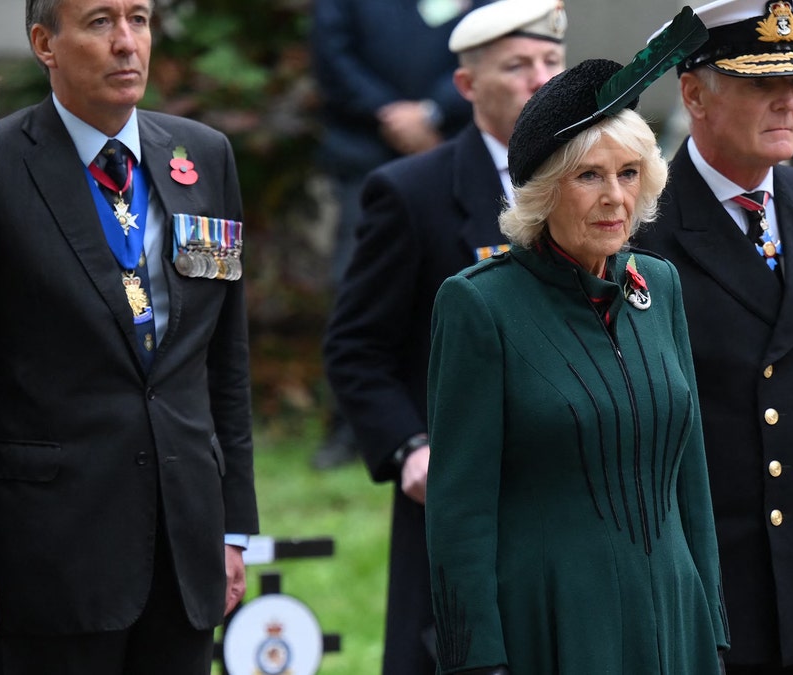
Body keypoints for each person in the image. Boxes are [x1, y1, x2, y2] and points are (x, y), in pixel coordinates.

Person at [424, 13, 731, 672]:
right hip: (555, 624)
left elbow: (692, 479)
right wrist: (476, 659)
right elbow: (458, 510)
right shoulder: (480, 304)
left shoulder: (663, 287)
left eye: (629, 172)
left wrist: (711, 625)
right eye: (589, 175)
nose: (615, 197)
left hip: (676, 621)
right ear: (543, 193)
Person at [0, 0, 258, 672]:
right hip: (49, 554)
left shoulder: (200, 156)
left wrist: (233, 527)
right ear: (43, 44)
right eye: (99, 22)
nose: (126, 43)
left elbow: (223, 361)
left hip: (184, 545)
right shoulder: (5, 168)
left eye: (137, 19)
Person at [633, 1, 793, 673]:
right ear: (694, 93)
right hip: (699, 584)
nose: (785, 103)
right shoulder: (641, 229)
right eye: (758, 84)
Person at [322, 0, 566, 672]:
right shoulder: (412, 192)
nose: (539, 80)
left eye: (551, 62)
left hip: (573, 496)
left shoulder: (597, 183)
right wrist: (409, 445)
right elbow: (356, 347)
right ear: (467, 86)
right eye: (517, 66)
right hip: (463, 493)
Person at [310, 0, 484, 469]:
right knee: (354, 285)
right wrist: (391, 114)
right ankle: (352, 427)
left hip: (452, 143)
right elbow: (333, 53)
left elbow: (495, 44)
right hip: (365, 151)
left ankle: (457, 414)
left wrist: (431, 112)